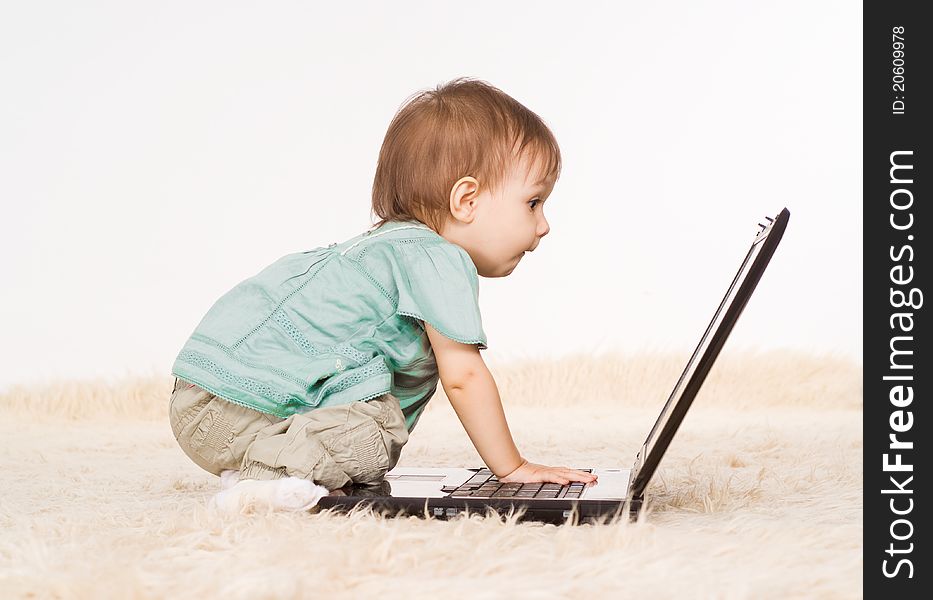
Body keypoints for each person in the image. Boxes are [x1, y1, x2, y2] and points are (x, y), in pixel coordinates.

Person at [168, 77, 598, 512]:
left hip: (206, 399)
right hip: (238, 408)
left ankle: (266, 460)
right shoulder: (438, 258)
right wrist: (512, 468)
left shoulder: (389, 248)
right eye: (533, 202)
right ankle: (264, 481)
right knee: (376, 428)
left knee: (366, 417)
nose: (544, 225)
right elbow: (463, 375)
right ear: (466, 200)